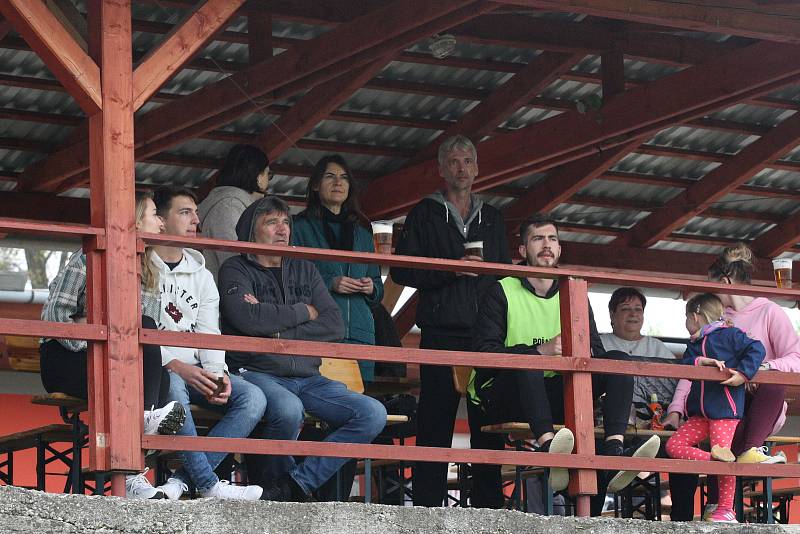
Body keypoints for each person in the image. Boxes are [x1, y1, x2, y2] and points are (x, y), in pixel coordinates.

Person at [468, 214, 660, 515]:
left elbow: (595, 354)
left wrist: (576, 350)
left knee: (618, 362)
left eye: (553, 239)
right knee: (529, 360)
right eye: (538, 239)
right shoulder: (500, 289)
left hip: (558, 393)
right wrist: (539, 351)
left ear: (559, 249)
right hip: (504, 396)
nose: (547, 245)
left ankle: (613, 452)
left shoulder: (575, 293)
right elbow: (483, 354)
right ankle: (548, 449)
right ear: (523, 251)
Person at [218, 196, 387, 502]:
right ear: (250, 231)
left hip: (310, 377)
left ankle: (294, 486)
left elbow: (335, 325)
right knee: (288, 409)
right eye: (271, 222)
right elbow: (247, 318)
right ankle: (272, 490)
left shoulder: (305, 269)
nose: (282, 229)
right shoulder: (235, 269)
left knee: (373, 412)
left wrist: (273, 323)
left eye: (285, 222)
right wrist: (304, 311)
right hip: (258, 372)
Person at [390, 135, 511, 508]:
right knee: (435, 421)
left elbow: (503, 276)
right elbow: (403, 270)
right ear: (441, 170)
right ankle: (428, 507)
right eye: (454, 162)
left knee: (488, 422)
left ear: (477, 168)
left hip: (485, 334)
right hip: (440, 330)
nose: (461, 168)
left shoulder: (493, 217)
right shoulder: (424, 213)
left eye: (468, 161)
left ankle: (489, 508)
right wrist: (451, 271)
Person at [40, 192, 186, 499]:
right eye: (154, 214)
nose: (161, 222)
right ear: (134, 220)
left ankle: (134, 476)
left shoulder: (150, 269)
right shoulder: (86, 258)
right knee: (133, 381)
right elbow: (54, 315)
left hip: (116, 367)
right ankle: (144, 425)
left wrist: (103, 334)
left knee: (159, 367)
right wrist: (98, 338)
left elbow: (148, 333)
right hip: (66, 357)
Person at [149, 186, 266, 501]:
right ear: (159, 219)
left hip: (199, 367)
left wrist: (219, 373)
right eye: (185, 212)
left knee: (253, 398)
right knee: (172, 391)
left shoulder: (202, 275)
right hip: (162, 369)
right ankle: (207, 483)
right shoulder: (141, 267)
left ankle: (181, 482)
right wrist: (177, 366)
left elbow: (209, 332)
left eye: (195, 212)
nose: (196, 219)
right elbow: (136, 330)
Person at [665, 243, 798, 521]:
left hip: (759, 406)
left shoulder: (769, 311)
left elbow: (796, 358)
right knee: (708, 426)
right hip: (721, 405)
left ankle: (747, 456)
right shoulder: (716, 321)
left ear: (725, 281)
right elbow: (696, 363)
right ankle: (716, 507)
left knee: (773, 382)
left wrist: (760, 369)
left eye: (711, 286)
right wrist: (676, 408)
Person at [665, 293, 765, 524]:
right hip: (700, 413)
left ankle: (727, 509)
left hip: (723, 412)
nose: (686, 323)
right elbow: (687, 363)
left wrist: (743, 374)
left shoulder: (730, 334)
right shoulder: (695, 344)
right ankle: (716, 458)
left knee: (725, 462)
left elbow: (757, 349)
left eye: (686, 317)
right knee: (674, 445)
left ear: (695, 315)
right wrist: (703, 361)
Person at [291, 154, 384, 381]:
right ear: (315, 185)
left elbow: (379, 289)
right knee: (320, 403)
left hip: (361, 334)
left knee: (361, 406)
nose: (338, 182)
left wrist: (371, 288)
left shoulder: (362, 233)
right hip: (318, 331)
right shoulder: (299, 227)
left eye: (344, 178)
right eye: (330, 177)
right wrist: (330, 283)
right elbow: (291, 279)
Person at [600, 287, 678, 427]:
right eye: (625, 309)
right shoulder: (599, 344)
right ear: (612, 315)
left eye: (638, 309)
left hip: (653, 420)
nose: (633, 314)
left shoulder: (657, 347)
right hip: (607, 419)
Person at [197, 144, 270, 282]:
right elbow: (232, 258)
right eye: (268, 174)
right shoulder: (228, 207)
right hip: (233, 295)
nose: (268, 181)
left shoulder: (236, 206)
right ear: (258, 177)